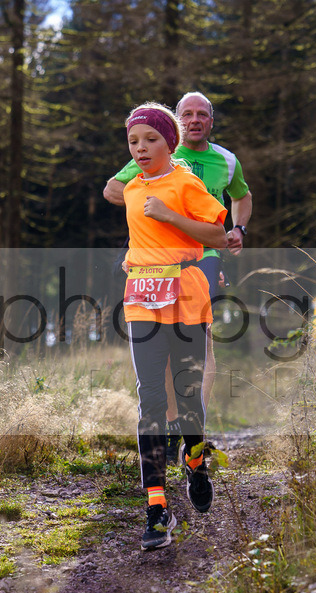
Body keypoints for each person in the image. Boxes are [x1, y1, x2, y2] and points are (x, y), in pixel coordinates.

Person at [104, 92, 252, 464]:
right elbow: (113, 189)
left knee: (201, 345)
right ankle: (172, 426)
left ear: (211, 122)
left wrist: (240, 229)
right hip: (156, 262)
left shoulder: (226, 160)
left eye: (202, 114)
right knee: (161, 352)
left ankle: (192, 430)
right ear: (177, 122)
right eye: (187, 114)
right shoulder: (155, 151)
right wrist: (145, 218)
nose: (195, 120)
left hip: (204, 257)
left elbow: (242, 198)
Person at [120, 102, 228, 550]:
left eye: (150, 140)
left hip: (185, 300)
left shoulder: (187, 182)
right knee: (150, 401)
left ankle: (196, 462)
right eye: (133, 142)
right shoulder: (131, 189)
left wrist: (170, 216)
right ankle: (157, 510)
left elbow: (217, 236)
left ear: (170, 142)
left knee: (186, 398)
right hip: (142, 302)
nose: (141, 149)